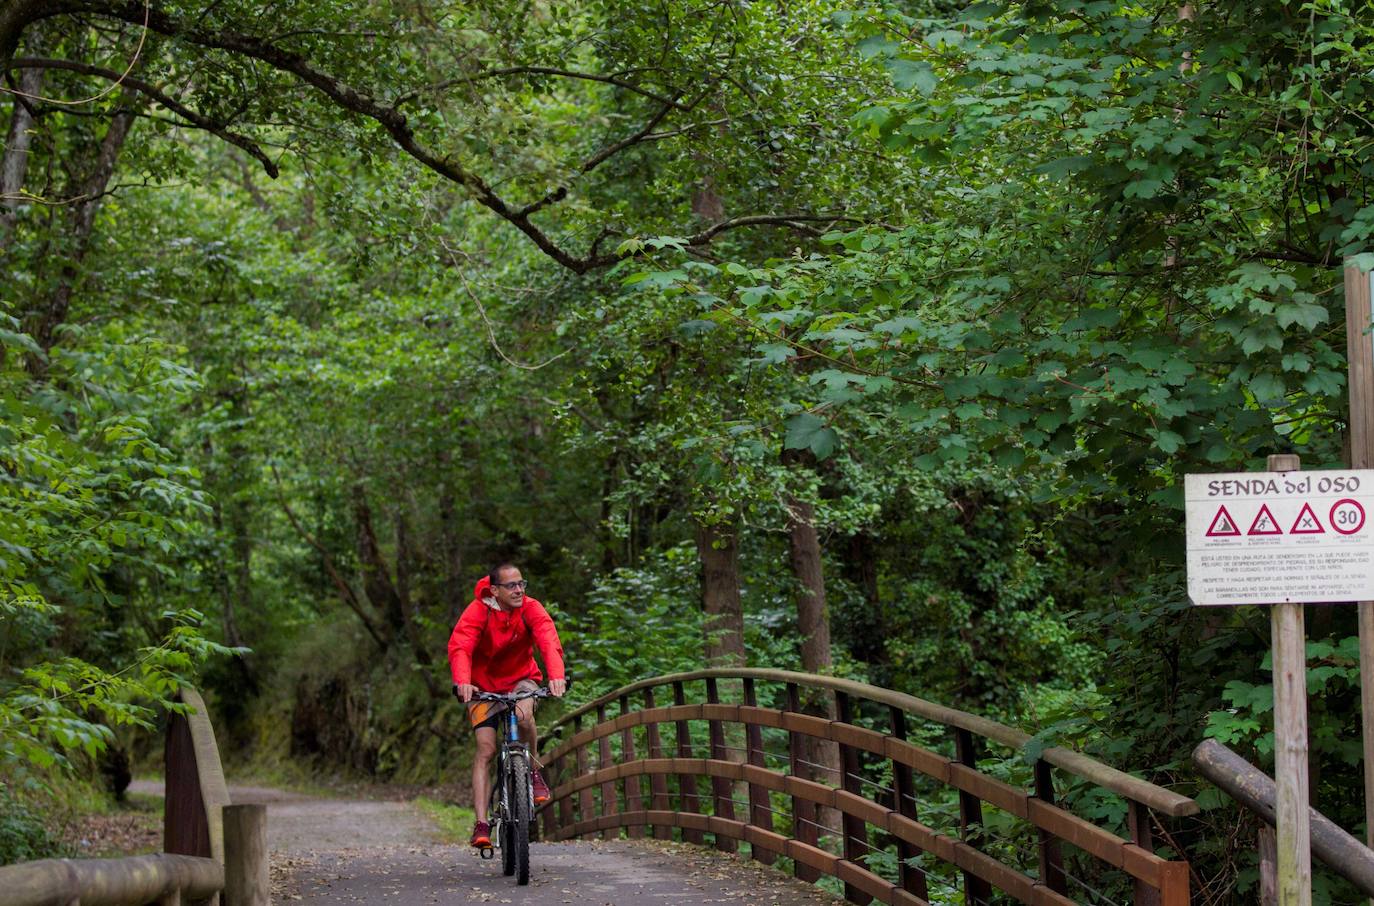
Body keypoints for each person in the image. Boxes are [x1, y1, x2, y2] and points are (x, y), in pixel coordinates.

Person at [448, 562, 566, 849]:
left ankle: (534, 772)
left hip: (521, 678)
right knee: (486, 749)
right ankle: (481, 823)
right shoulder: (478, 610)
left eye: (521, 584)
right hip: (483, 686)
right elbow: (461, 645)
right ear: (495, 590)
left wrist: (557, 677)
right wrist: (463, 681)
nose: (518, 590)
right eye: (511, 586)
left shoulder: (530, 608)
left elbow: (548, 640)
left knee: (525, 717)